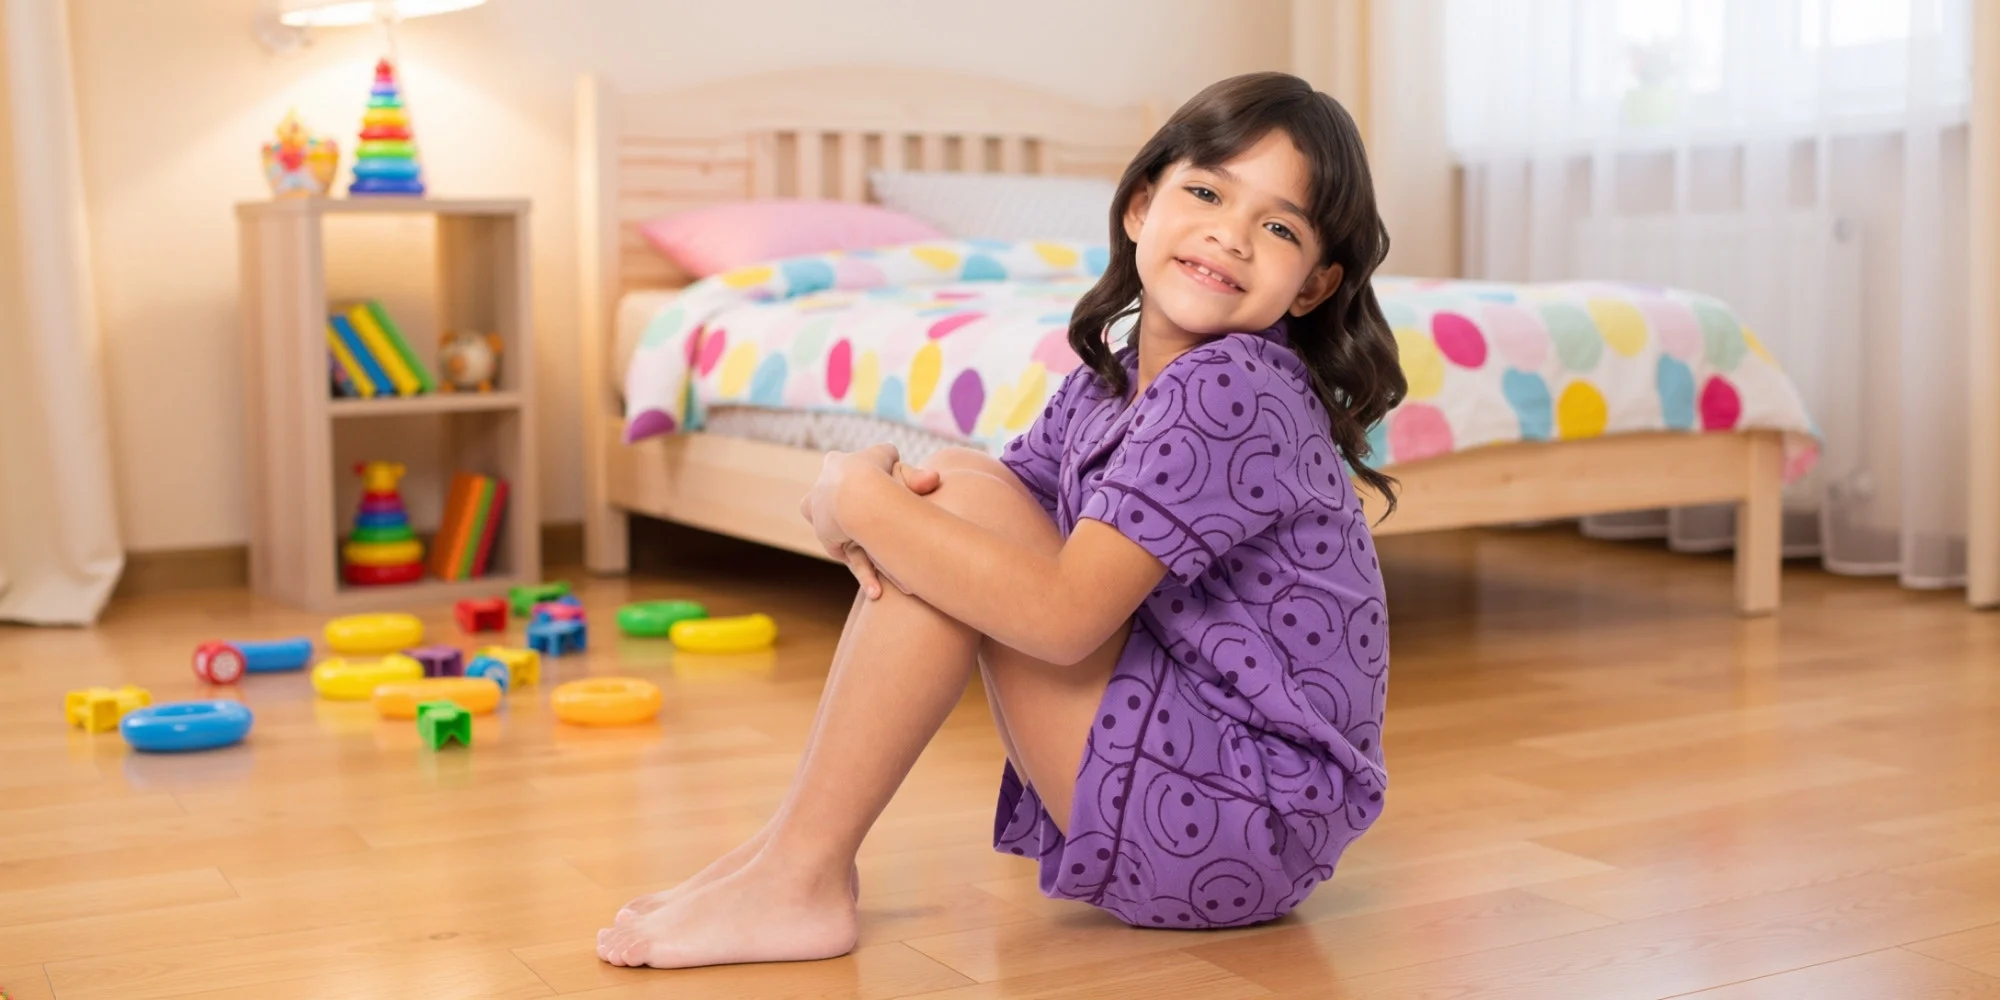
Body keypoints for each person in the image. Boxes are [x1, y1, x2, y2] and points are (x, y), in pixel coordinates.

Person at [598, 70, 1406, 969]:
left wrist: (857, 498)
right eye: (1208, 191)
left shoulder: (1235, 384)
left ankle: (801, 871)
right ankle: (788, 857)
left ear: (1312, 285)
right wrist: (886, 495)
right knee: (965, 484)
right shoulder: (1118, 379)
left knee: (962, 504)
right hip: (1224, 803)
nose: (1231, 234)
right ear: (1143, 206)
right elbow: (983, 499)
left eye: (1280, 226)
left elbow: (1060, 622)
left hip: (1238, 816)